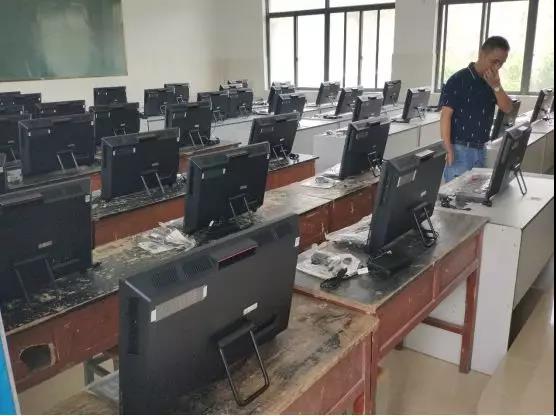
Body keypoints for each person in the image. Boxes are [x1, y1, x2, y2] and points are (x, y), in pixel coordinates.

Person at [440, 36, 514, 182]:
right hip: (459, 149)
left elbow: (508, 108)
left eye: (501, 63)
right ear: (482, 54)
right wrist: (447, 148)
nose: (497, 67)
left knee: (475, 194)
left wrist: (496, 86)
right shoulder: (458, 79)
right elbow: (445, 116)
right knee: (456, 194)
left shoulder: (492, 81)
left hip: (481, 150)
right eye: (494, 61)